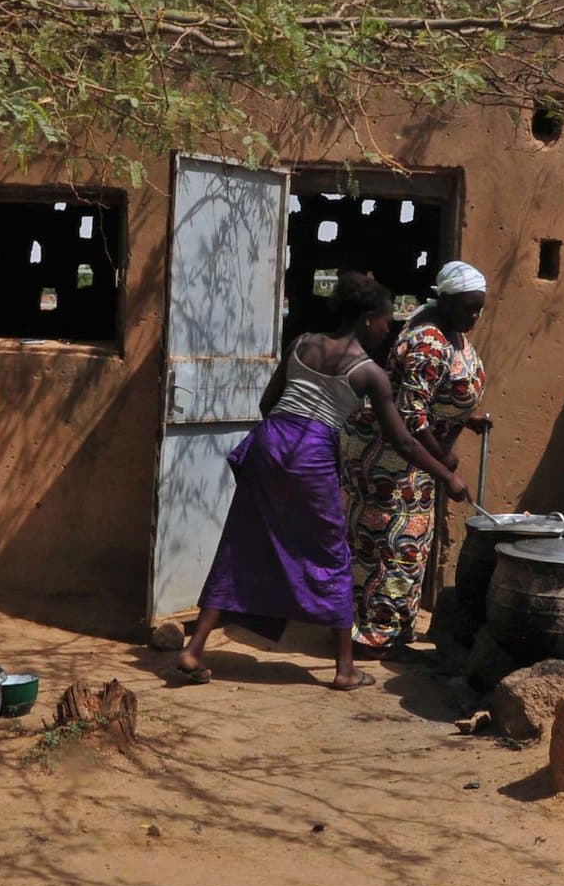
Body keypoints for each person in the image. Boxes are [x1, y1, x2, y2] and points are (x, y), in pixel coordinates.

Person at [177, 274, 468, 690]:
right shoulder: (370, 374)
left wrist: (284, 444)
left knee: (242, 541)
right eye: (388, 321)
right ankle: (345, 669)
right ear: (368, 319)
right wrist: (447, 478)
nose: (391, 329)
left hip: (269, 443)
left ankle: (194, 648)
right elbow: (402, 439)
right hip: (310, 455)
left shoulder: (301, 343)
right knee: (334, 555)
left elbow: (266, 403)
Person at [342, 260, 493, 654]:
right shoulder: (428, 341)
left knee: (407, 548)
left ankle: (393, 632)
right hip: (392, 461)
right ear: (445, 300)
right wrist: (445, 467)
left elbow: (433, 396)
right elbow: (411, 419)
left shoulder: (447, 328)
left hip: (413, 462)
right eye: (467, 307)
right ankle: (372, 637)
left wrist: (466, 416)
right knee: (388, 547)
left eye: (479, 308)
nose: (474, 315)